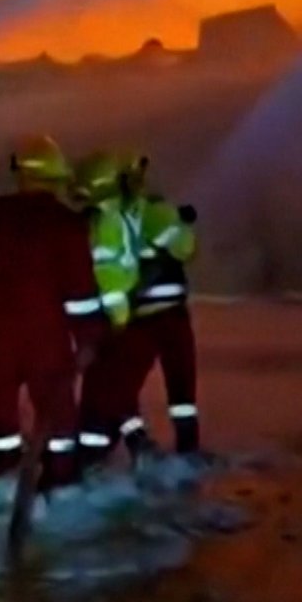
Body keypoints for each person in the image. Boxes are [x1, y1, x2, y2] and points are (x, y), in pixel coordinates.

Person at [0, 135, 107, 490]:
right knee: (57, 404)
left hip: (2, 332)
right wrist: (90, 335)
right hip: (46, 333)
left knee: (2, 397)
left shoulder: (2, 214)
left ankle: (2, 465)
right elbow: (80, 290)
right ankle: (60, 476)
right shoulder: (65, 224)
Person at [104, 151, 204, 458]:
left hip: (133, 318)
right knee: (182, 393)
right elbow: (186, 249)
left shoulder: (107, 217)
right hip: (169, 317)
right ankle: (187, 454)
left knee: (118, 388)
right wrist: (180, 226)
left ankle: (138, 444)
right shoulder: (158, 212)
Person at [71, 150, 144, 467]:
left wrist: (112, 319)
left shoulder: (106, 222)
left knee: (101, 392)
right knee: (110, 388)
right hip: (121, 317)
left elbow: (107, 273)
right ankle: (126, 443)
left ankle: (99, 454)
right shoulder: (122, 214)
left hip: (111, 319)